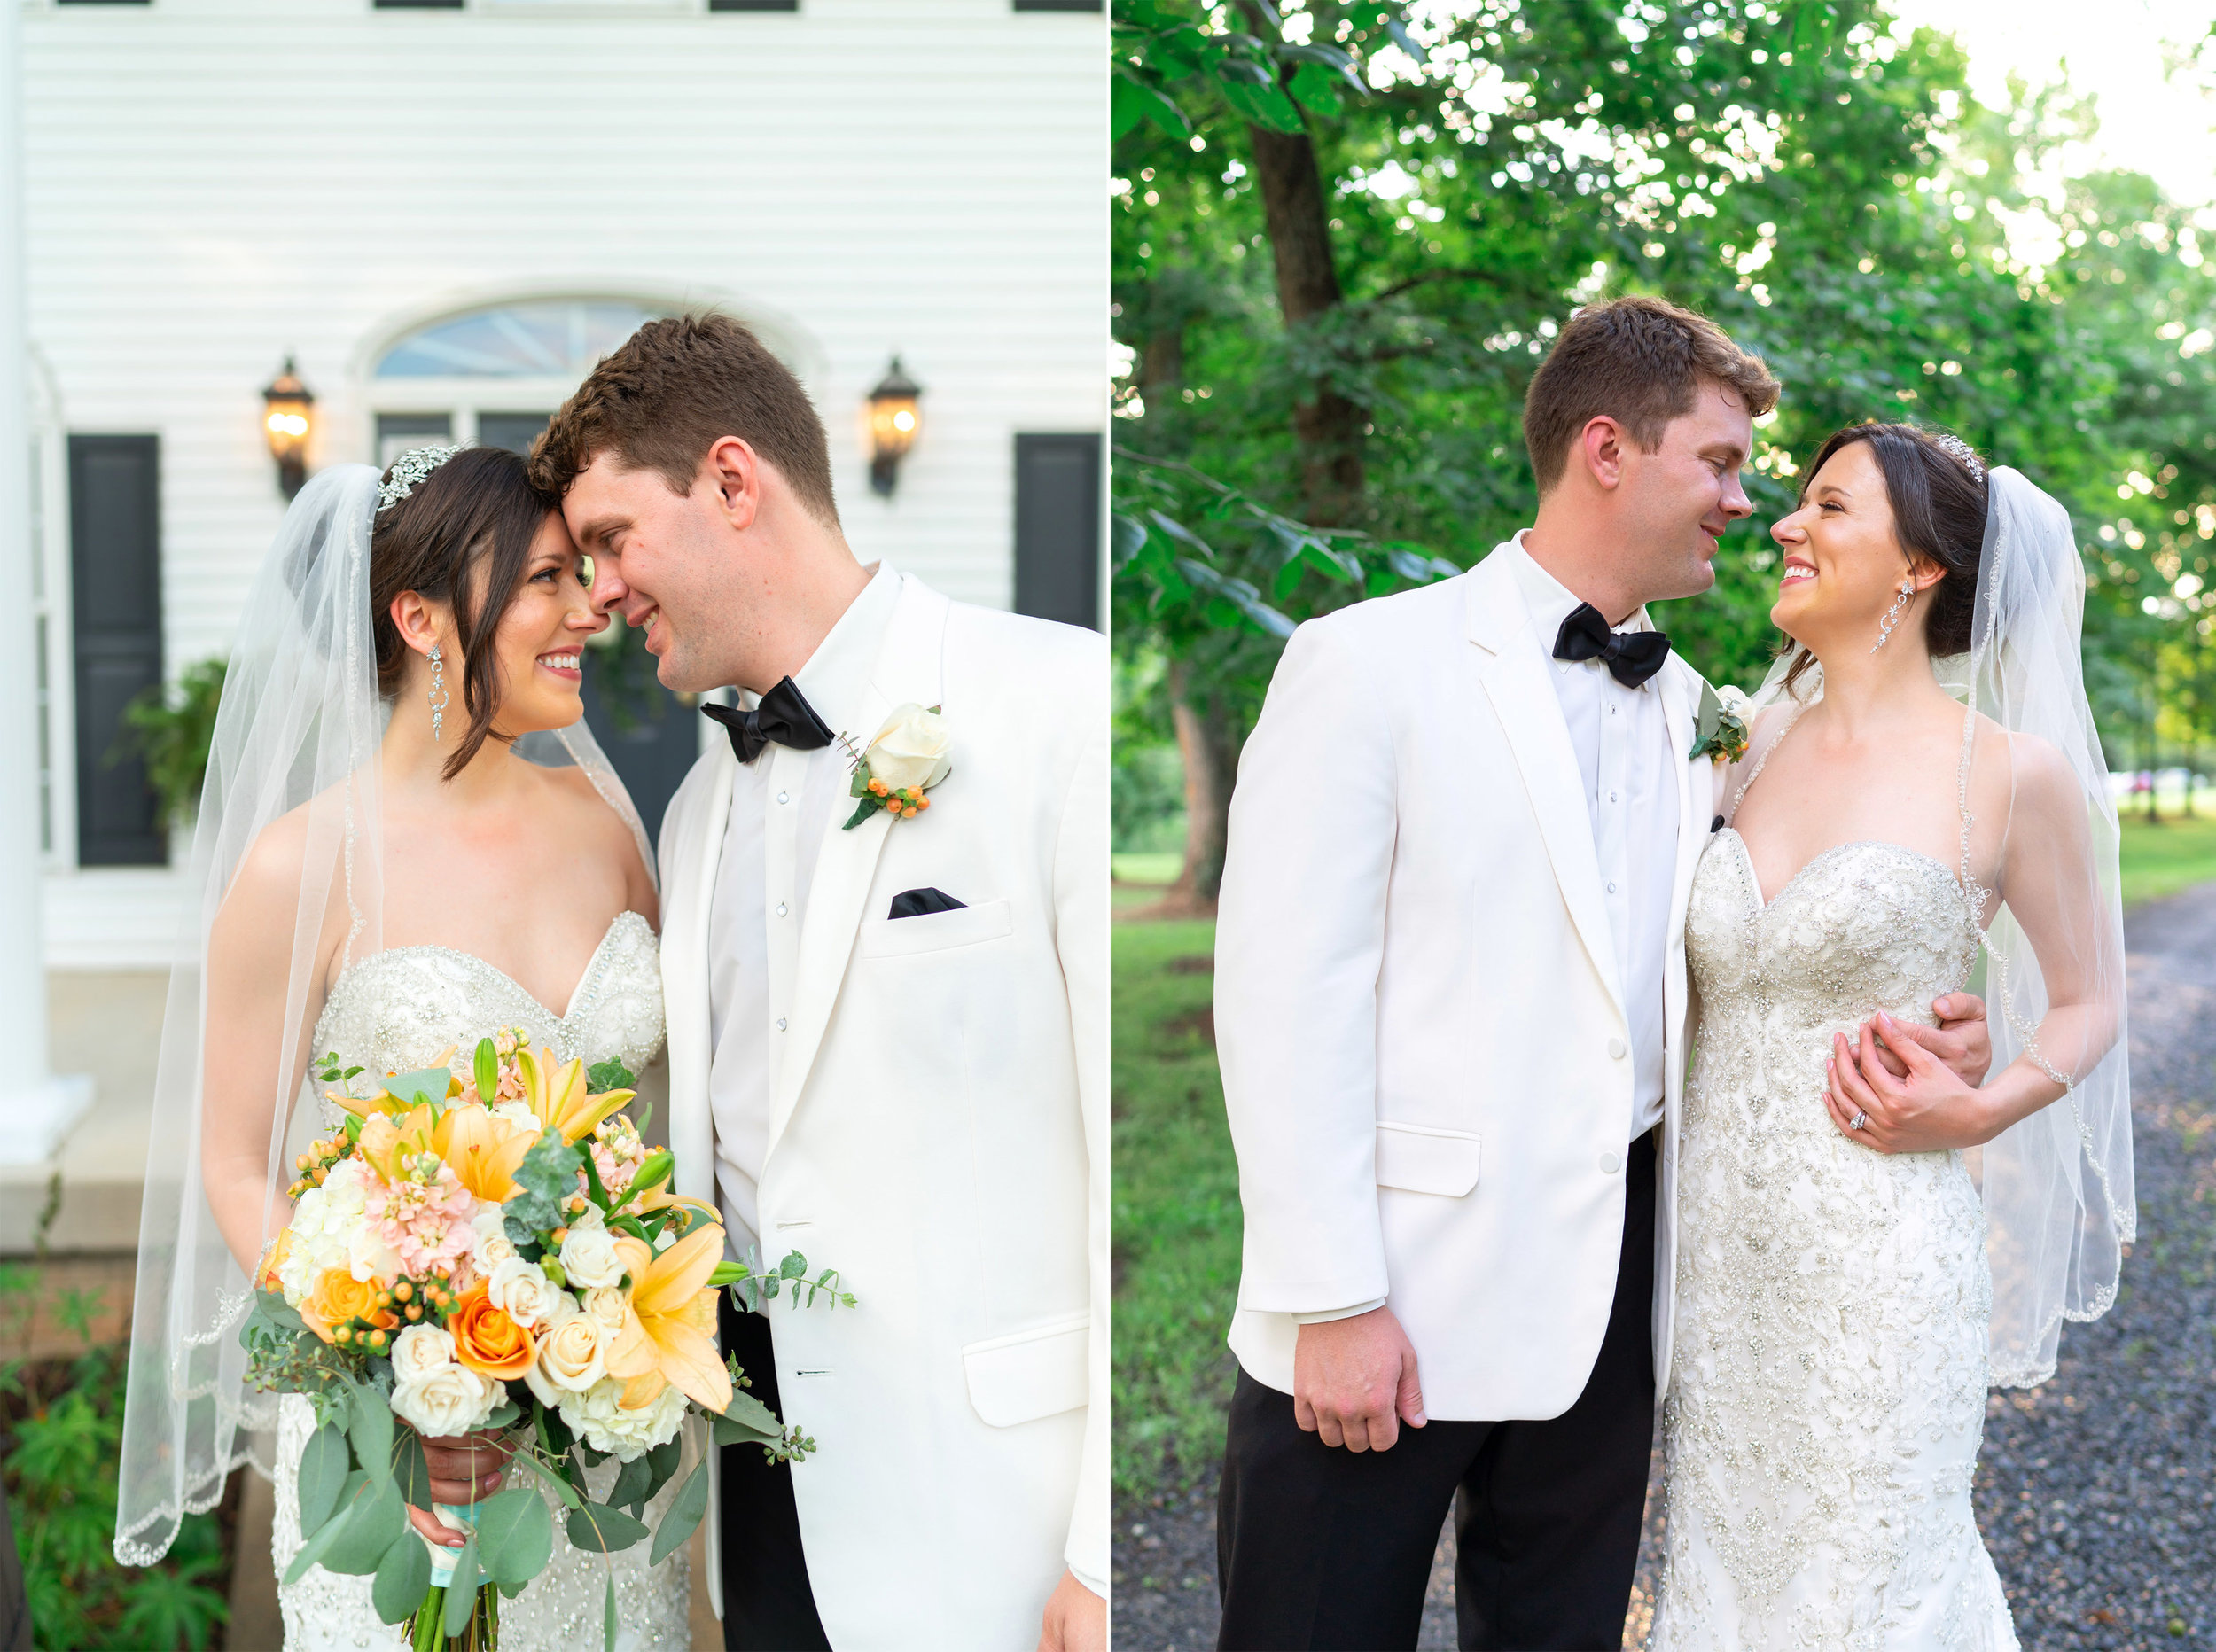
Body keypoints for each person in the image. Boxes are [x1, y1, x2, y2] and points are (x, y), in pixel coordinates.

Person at [1208, 296, 1995, 1650]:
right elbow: (1285, 1000)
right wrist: (1331, 1299)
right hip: (1395, 1304)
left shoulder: (1716, 716)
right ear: (1607, 451)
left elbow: (1790, 932)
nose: (1744, 503)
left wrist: (1938, 1028)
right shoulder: (1368, 663)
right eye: (1723, 463)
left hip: (1614, 1314)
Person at [527, 312, 1108, 1652]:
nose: (600, 595)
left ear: (734, 483)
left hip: (1000, 1524)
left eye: (612, 540)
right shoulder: (690, 815)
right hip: (762, 1509)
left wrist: (1092, 1552)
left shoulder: (1052, 706)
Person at [114, 447, 690, 1648]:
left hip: (607, 1451)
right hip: (408, 1452)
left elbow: (648, 1131)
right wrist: (397, 1373)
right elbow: (233, 1162)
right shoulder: (299, 867)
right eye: (545, 579)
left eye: (582, 574)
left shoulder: (608, 833)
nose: (589, 610)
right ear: (420, 616)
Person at [1653, 424, 2132, 1645]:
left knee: (1868, 1588)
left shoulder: (2011, 776)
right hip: (1714, 1263)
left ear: (1918, 566)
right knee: (1728, 1575)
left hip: (1881, 1259)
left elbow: (2088, 999)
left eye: (1826, 508)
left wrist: (1980, 1103)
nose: (1782, 525)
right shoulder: (1733, 744)